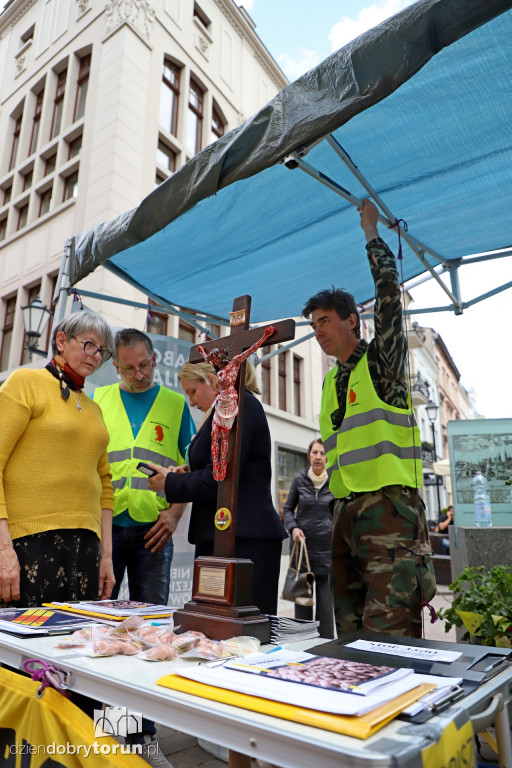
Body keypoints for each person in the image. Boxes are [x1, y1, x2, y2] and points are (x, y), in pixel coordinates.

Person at [302, 199, 436, 639]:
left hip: (389, 511)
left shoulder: (381, 361)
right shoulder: (327, 384)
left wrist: (372, 236)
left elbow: (389, 298)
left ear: (351, 320)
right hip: (345, 515)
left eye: (324, 321)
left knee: (391, 633)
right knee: (351, 632)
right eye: (313, 324)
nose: (318, 330)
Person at [93, 329, 195, 766]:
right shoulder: (98, 400)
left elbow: (192, 467)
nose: (138, 374)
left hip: (155, 530)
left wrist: (174, 515)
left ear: (155, 359)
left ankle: (145, 737)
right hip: (106, 533)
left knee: (151, 634)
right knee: (106, 634)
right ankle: (110, 737)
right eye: (129, 368)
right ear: (114, 366)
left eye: (145, 365)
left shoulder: (175, 404)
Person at [148, 358, 287, 616]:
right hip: (225, 534)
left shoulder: (238, 406)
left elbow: (221, 477)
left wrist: (170, 482)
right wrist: (186, 472)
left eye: (191, 391)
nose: (190, 401)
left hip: (244, 538)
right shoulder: (224, 410)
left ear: (211, 381)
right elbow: (220, 468)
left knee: (244, 631)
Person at [0, 310, 115, 606]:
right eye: (90, 345)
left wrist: (107, 557)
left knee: (71, 644)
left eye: (101, 351)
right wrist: (3, 549)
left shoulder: (94, 408)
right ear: (61, 340)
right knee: (22, 645)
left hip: (86, 546)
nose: (95, 355)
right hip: (29, 540)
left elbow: (105, 486)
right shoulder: (25, 382)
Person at [282, 439, 335, 638]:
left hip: (326, 552)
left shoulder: (334, 482)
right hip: (302, 553)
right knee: (302, 609)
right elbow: (287, 509)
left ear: (327, 457)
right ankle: (302, 647)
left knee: (325, 608)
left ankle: (326, 648)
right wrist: (293, 528)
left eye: (322, 453)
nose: (318, 457)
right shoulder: (299, 479)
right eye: (315, 453)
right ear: (309, 455)